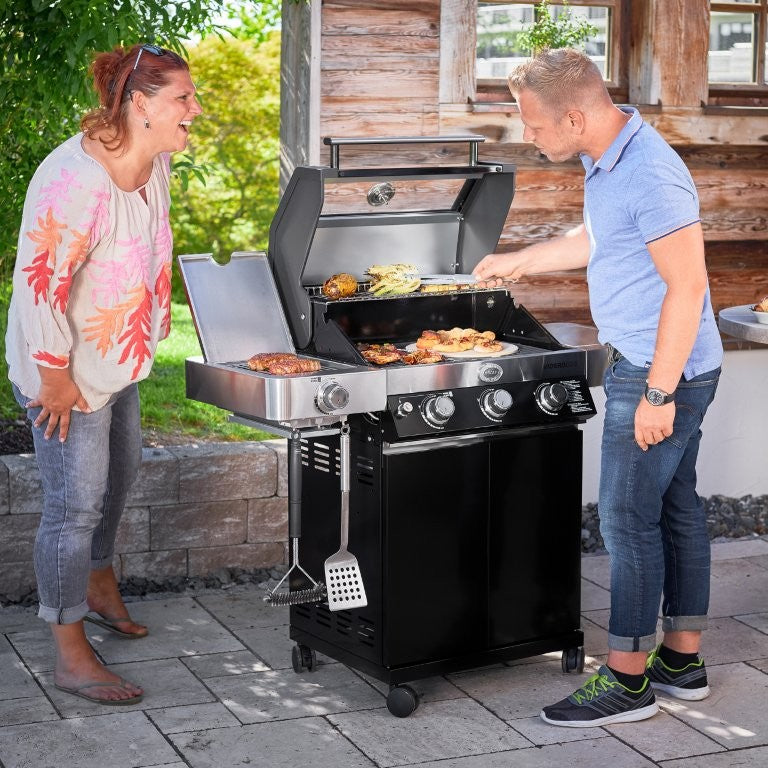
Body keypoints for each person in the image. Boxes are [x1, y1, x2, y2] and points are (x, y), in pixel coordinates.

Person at [473, 48, 723, 728]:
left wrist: (658, 395)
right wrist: (524, 259)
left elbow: (687, 287)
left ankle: (626, 680)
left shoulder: (649, 173)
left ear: (575, 118)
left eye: (533, 123)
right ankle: (682, 662)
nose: (528, 133)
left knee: (625, 518)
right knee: (673, 507)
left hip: (659, 369)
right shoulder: (609, 157)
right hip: (662, 364)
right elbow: (601, 237)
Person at [5, 43, 202, 705]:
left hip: (117, 358)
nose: (195, 109)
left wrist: (151, 328)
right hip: (62, 370)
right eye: (183, 98)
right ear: (140, 104)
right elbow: (38, 286)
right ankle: (69, 652)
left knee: (121, 475)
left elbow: (153, 247)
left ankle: (97, 583)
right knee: (74, 507)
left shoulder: (154, 162)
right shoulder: (74, 180)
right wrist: (52, 378)